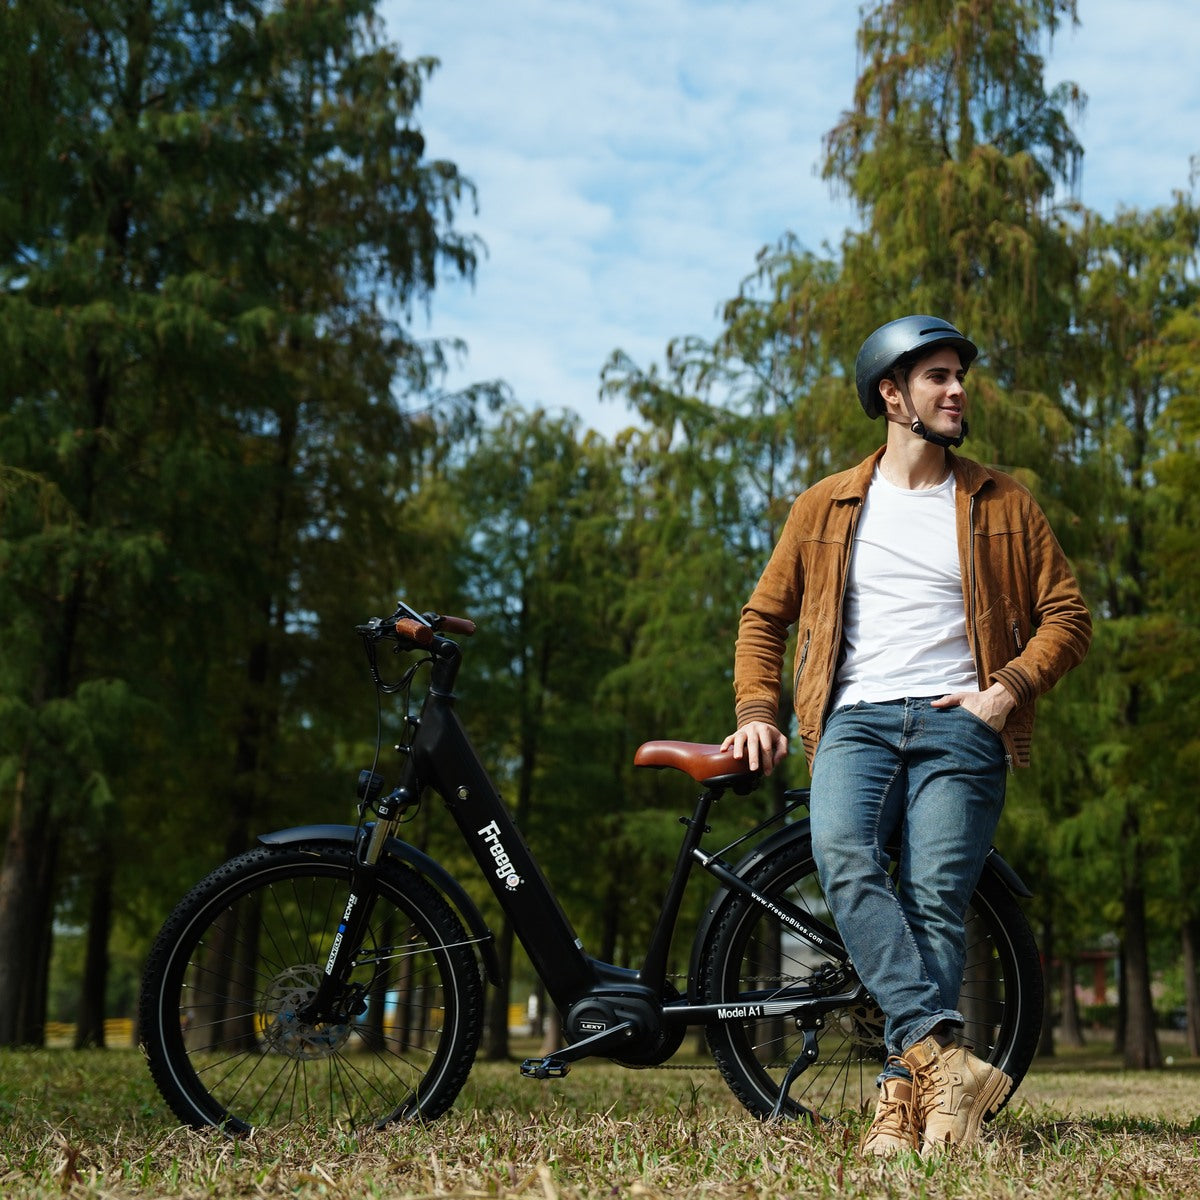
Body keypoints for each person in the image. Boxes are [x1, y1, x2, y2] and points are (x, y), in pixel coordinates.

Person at [721, 315, 1091, 1156]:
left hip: (962, 724)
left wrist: (1007, 692)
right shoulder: (825, 505)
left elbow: (1067, 614)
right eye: (937, 377)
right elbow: (762, 617)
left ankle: (904, 1100)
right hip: (856, 721)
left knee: (934, 901)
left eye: (960, 375)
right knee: (844, 857)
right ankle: (946, 1062)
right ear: (892, 396)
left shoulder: (1002, 501)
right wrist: (756, 712)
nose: (958, 390)